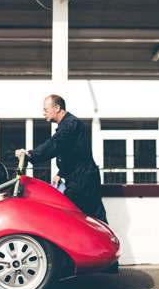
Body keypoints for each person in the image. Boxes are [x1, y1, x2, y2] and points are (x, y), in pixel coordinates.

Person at [15, 94, 108, 223]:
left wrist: (30, 155)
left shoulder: (70, 124)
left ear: (57, 108)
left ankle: (105, 242)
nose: (43, 113)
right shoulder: (69, 124)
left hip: (82, 181)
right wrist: (61, 173)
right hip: (82, 178)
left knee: (78, 219)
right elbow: (72, 154)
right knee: (92, 219)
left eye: (46, 110)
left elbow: (55, 144)